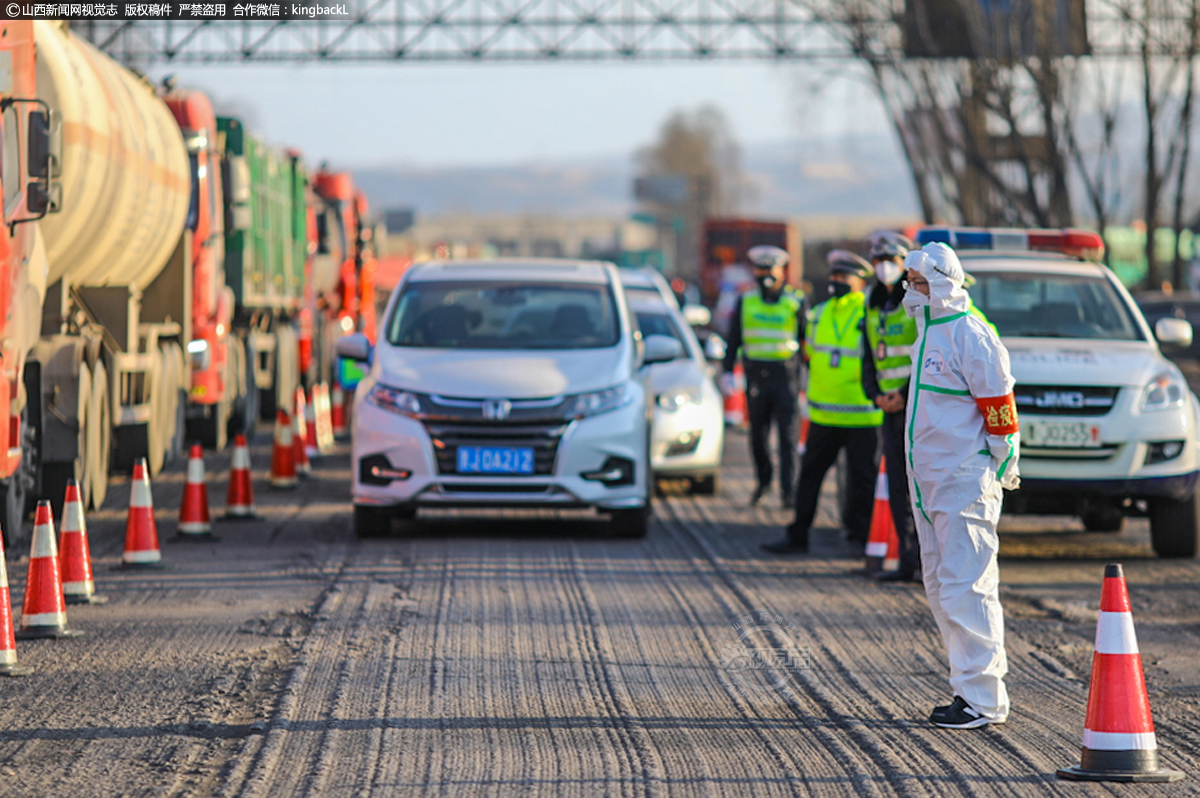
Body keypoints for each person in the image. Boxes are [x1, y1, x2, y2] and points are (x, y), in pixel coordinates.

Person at [902, 241, 1019, 729]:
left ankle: (984, 699)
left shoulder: (971, 336)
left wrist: (1003, 462)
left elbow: (999, 410)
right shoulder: (928, 331)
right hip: (930, 482)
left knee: (967, 586)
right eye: (910, 282)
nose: (912, 291)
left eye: (921, 284)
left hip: (963, 480)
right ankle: (966, 689)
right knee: (942, 585)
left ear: (946, 284)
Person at [763, 250, 881, 554]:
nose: (836, 282)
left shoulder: (870, 312)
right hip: (823, 413)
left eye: (843, 277)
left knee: (863, 482)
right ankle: (797, 535)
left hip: (862, 414)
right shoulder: (820, 312)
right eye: (834, 276)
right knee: (809, 479)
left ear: (860, 281)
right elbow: (809, 354)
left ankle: (862, 536)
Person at [722, 245, 805, 508]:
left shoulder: (796, 301)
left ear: (782, 271)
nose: (765, 273)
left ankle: (789, 493)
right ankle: (763, 481)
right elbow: (734, 338)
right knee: (758, 436)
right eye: (761, 268)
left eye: (771, 269)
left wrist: (810, 378)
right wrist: (726, 371)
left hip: (786, 377)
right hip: (756, 377)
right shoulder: (745, 300)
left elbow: (807, 343)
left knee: (787, 439)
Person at [860, 232, 921, 583]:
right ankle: (907, 562)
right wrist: (876, 395)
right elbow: (868, 356)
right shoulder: (871, 303)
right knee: (897, 488)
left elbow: (922, 352)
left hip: (914, 406)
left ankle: (926, 565)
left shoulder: (912, 300)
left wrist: (902, 392)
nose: (884, 267)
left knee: (920, 487)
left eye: (892, 261)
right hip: (888, 409)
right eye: (879, 260)